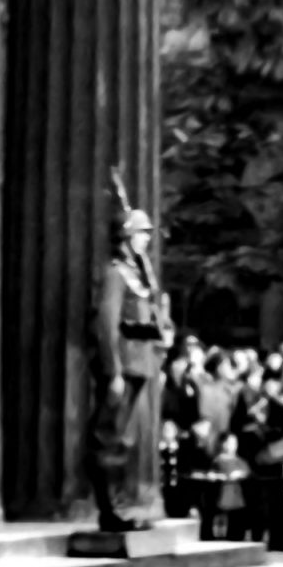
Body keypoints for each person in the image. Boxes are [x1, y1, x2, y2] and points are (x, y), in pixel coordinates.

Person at [87, 206, 173, 532]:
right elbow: (107, 324)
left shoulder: (137, 274)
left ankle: (121, 506)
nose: (146, 239)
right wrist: (114, 371)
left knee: (125, 440)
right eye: (140, 232)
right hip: (124, 366)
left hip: (140, 365)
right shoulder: (115, 273)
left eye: (147, 233)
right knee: (110, 438)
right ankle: (112, 509)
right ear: (125, 235)